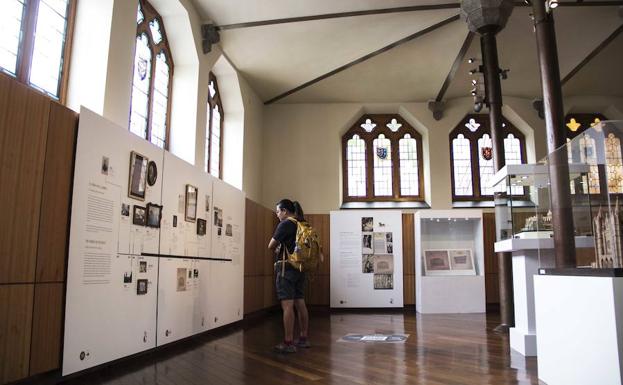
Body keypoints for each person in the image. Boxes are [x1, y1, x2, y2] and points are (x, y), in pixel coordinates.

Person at [268, 199, 311, 353]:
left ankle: (288, 342)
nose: (278, 215)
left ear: (285, 211)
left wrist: (278, 246)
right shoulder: (303, 223)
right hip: (301, 268)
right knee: (300, 302)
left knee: (287, 306)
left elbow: (271, 245)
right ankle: (303, 338)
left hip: (286, 268)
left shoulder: (285, 224)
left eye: (278, 211)